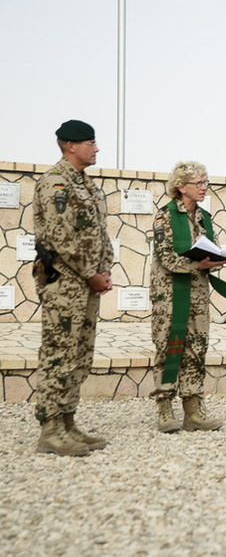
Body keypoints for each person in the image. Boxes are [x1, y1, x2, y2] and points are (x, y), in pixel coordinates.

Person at [32, 120, 114, 456]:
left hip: (88, 284)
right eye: (91, 144)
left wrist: (105, 268)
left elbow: (100, 233)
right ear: (71, 146)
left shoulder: (88, 185)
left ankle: (68, 421)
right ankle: (50, 429)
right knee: (59, 353)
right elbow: (61, 237)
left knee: (80, 353)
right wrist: (90, 273)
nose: (96, 149)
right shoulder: (55, 184)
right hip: (64, 284)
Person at [149, 162, 226, 433]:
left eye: (206, 182)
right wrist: (199, 265)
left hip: (197, 295)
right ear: (182, 187)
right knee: (170, 348)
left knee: (197, 349)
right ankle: (164, 409)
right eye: (199, 183)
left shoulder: (204, 217)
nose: (204, 188)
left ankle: (193, 411)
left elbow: (208, 249)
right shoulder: (165, 216)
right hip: (170, 296)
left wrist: (218, 259)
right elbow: (166, 256)